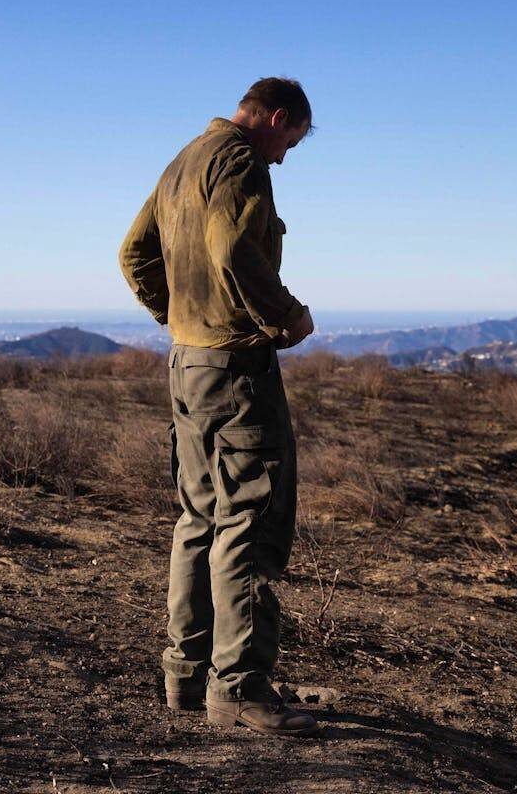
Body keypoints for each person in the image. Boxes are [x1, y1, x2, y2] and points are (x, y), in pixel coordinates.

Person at [118, 77, 319, 737]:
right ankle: (237, 691)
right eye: (289, 142)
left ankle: (186, 675)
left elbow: (134, 253)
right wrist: (285, 315)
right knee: (248, 523)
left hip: (186, 364)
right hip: (233, 367)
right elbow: (234, 249)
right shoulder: (240, 160)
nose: (285, 157)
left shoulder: (183, 161)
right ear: (276, 118)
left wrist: (177, 318)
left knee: (198, 516)